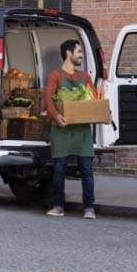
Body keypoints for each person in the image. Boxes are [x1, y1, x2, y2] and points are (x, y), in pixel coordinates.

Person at [43, 39, 96, 219]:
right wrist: (57, 116)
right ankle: (58, 206)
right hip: (61, 129)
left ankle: (89, 207)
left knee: (87, 170)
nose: (81, 55)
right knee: (59, 169)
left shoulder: (85, 78)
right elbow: (49, 101)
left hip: (82, 131)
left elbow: (96, 101)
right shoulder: (55, 76)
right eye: (79, 52)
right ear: (68, 53)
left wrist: (106, 114)